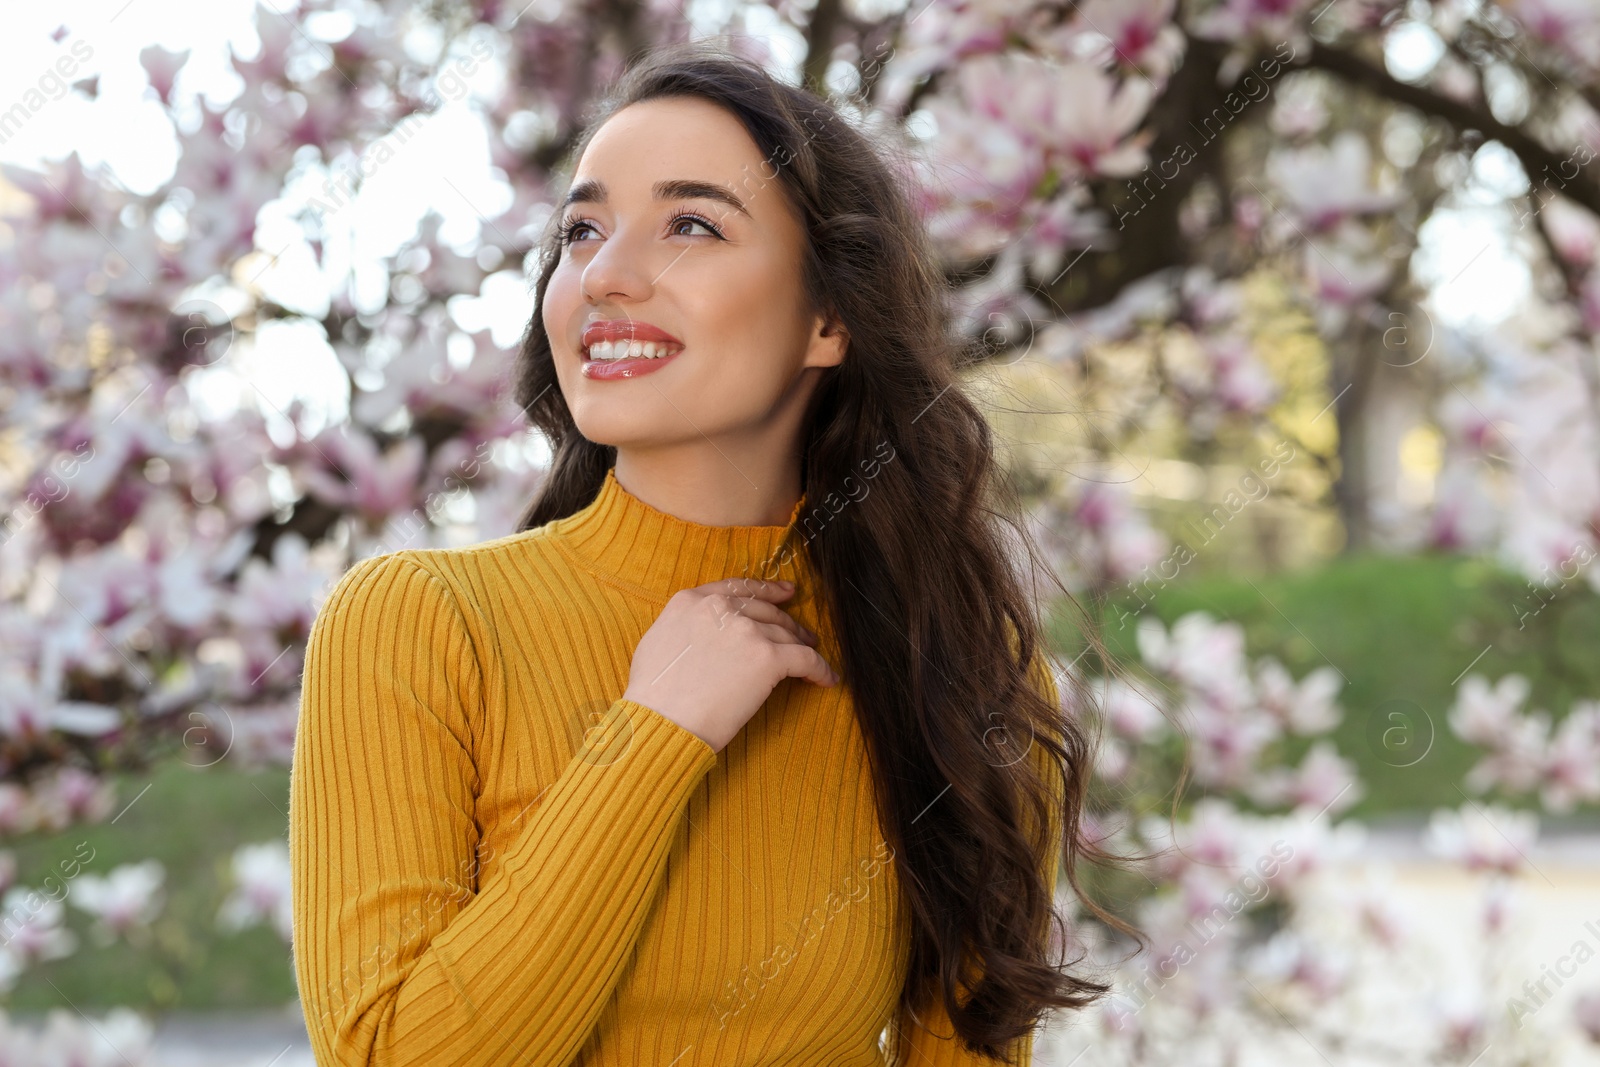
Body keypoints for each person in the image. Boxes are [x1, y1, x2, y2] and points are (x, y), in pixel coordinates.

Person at [290, 41, 1124, 1066]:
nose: (605, 275)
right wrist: (657, 728)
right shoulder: (416, 620)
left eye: (690, 224)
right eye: (581, 230)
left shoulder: (951, 669)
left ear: (828, 316)